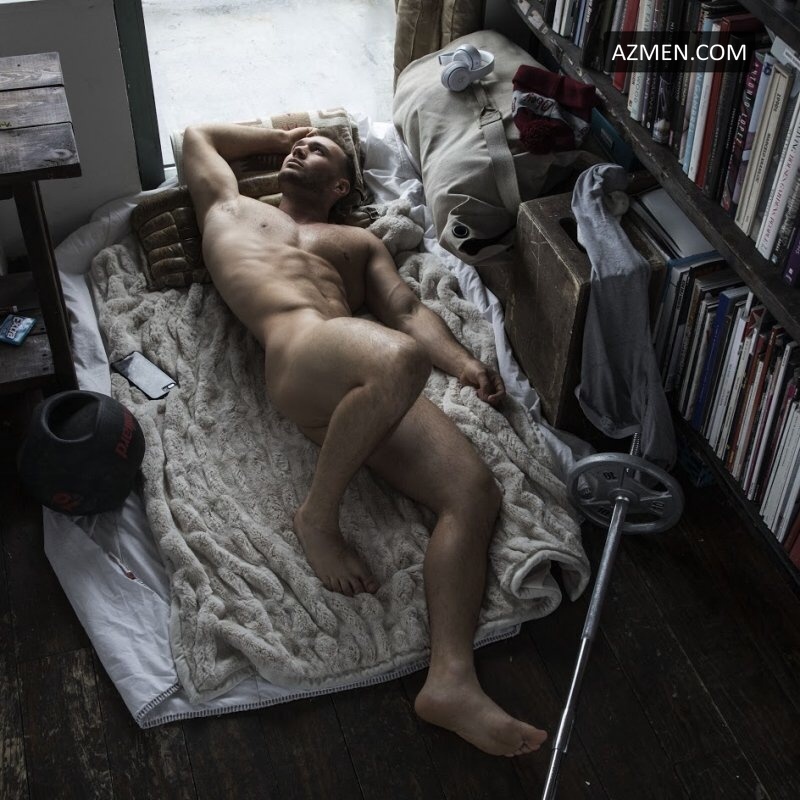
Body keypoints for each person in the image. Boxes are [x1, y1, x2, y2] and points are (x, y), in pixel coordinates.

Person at [182, 122, 547, 757]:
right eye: (299, 146)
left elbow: (406, 310)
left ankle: (451, 682)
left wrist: (463, 363)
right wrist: (284, 133)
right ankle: (317, 517)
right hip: (301, 355)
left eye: (318, 149)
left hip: (366, 388)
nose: (301, 149)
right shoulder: (231, 207)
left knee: (473, 494)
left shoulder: (358, 242)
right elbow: (196, 138)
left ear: (342, 185)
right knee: (399, 358)